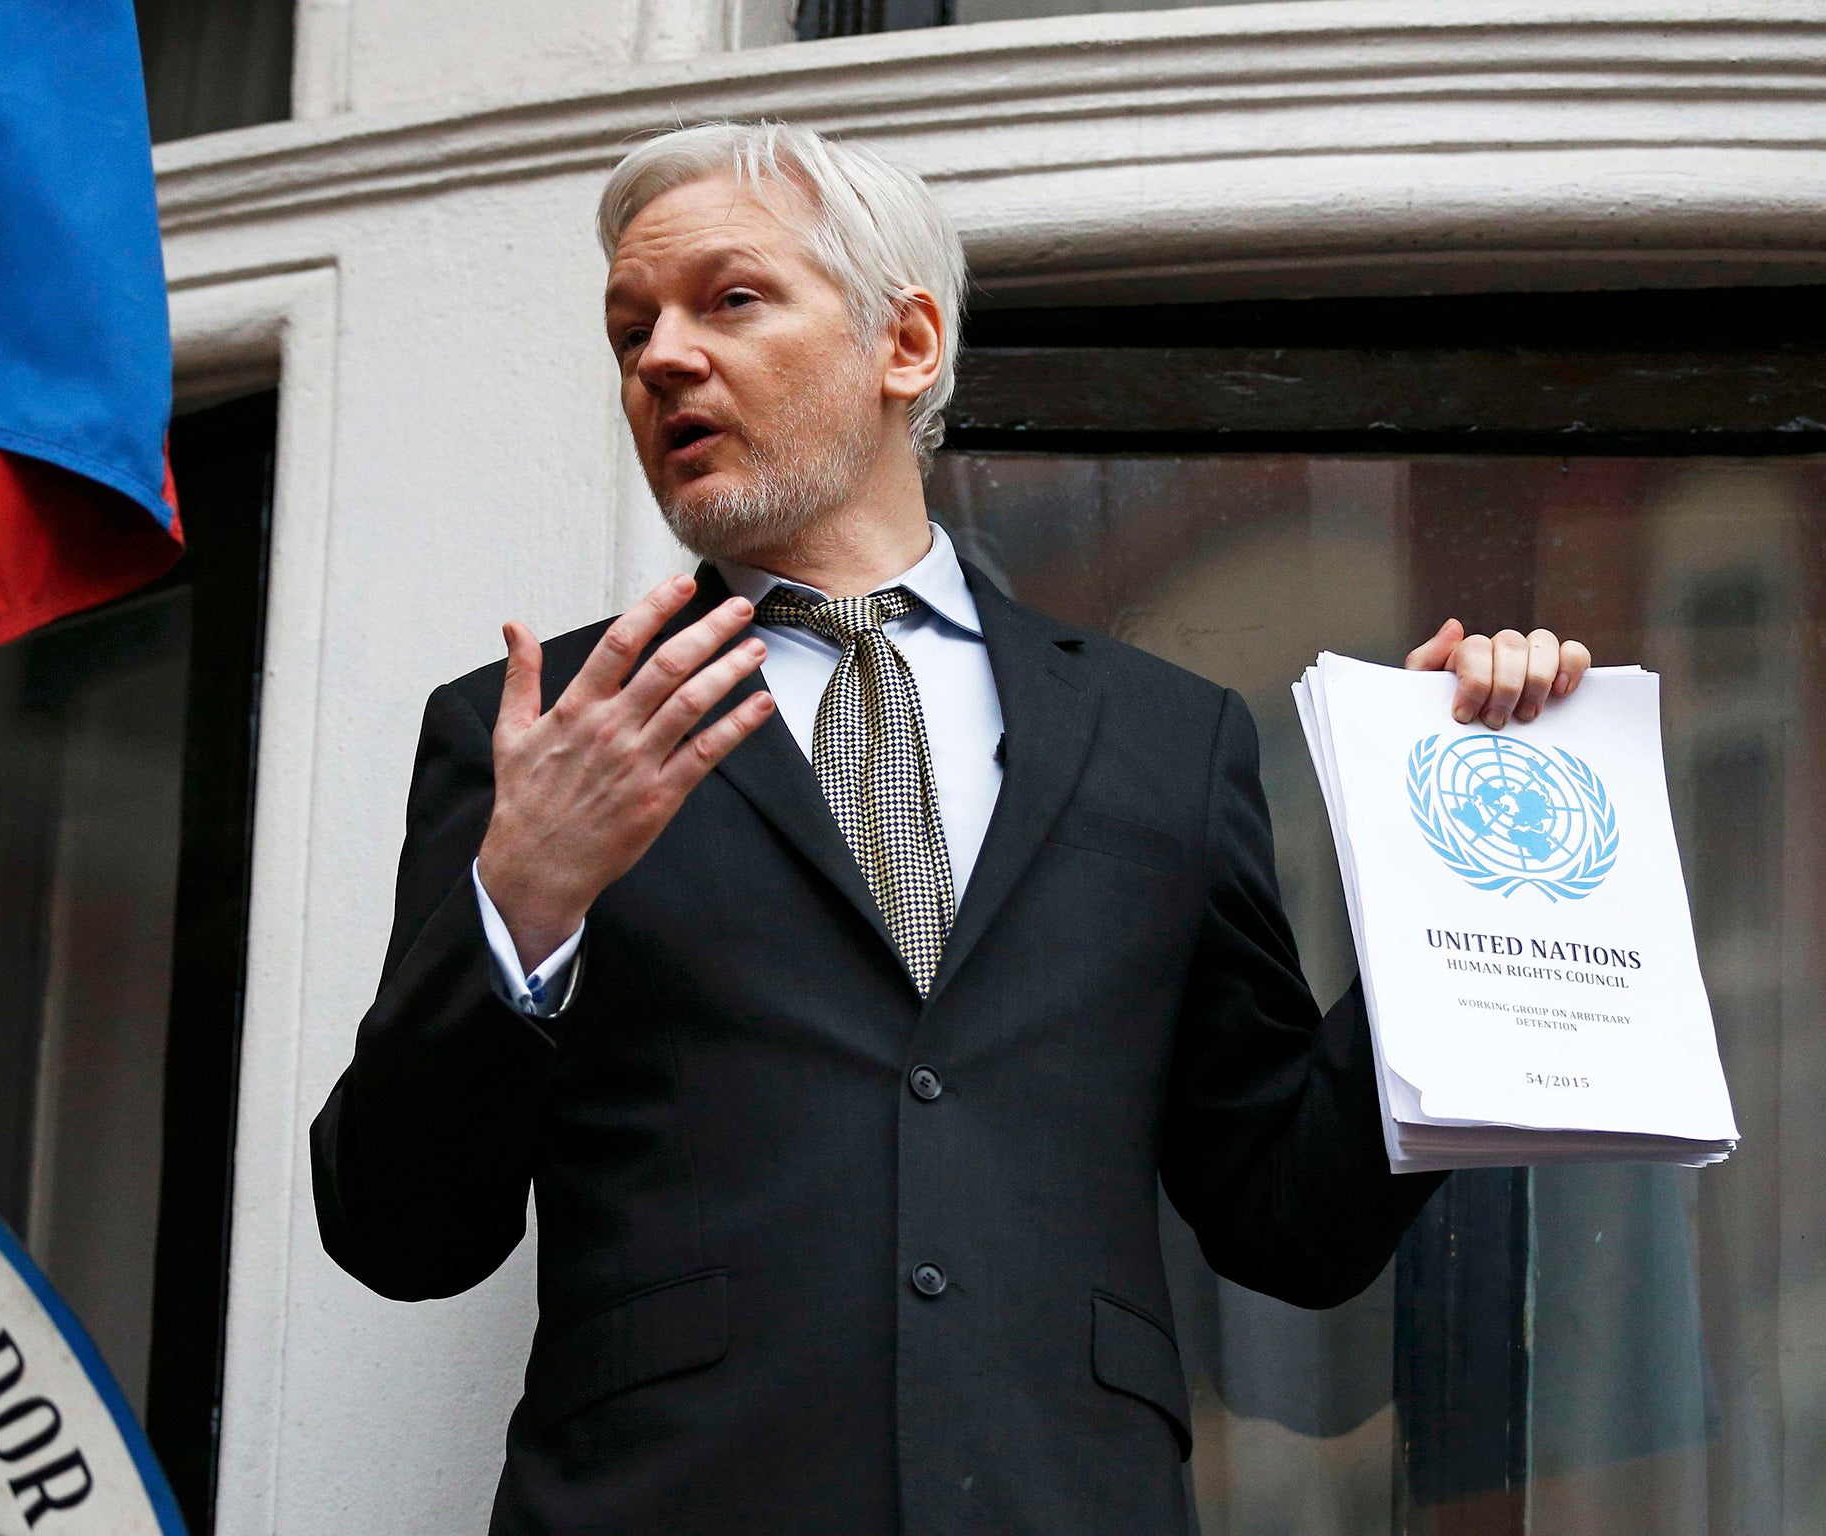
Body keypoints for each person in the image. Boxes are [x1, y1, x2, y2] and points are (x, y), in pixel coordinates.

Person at [310, 121, 1592, 1535]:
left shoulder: (1168, 743)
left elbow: (1294, 1222)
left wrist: (1445, 876)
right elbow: (401, 1234)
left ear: (904, 345)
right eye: (632, 329)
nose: (661, 357)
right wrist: (522, 907)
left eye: (730, 300)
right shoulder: (544, 732)